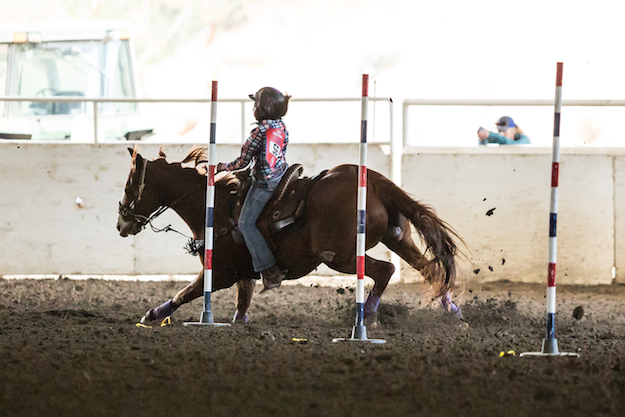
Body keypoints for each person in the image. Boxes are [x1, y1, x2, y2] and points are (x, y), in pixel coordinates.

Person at [216, 87, 291, 292]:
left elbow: (242, 161)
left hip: (265, 183)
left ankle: (269, 269)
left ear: (262, 107)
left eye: (255, 104)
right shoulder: (281, 126)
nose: (252, 108)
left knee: (246, 223)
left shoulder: (259, 131)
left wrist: (221, 167)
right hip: (281, 175)